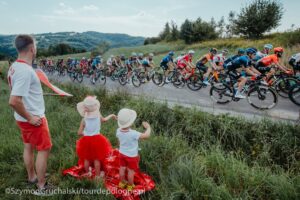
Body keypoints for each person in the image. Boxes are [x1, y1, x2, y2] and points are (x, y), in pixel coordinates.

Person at [8, 34, 53, 195]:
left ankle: (32, 177)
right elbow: (13, 101)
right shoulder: (25, 71)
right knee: (44, 149)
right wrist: (30, 117)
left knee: (28, 146)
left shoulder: (14, 66)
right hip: (33, 118)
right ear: (32, 49)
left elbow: (20, 94)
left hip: (22, 118)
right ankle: (42, 187)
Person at [76, 96, 116, 180]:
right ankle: (97, 176)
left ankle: (87, 173)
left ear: (85, 108)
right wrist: (111, 115)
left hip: (86, 140)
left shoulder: (84, 120)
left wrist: (86, 133)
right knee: (96, 159)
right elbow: (104, 120)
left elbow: (79, 133)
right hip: (98, 140)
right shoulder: (98, 115)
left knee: (86, 158)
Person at [116, 108, 151, 192]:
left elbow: (118, 141)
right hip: (131, 156)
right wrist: (148, 127)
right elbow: (146, 136)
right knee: (131, 172)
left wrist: (119, 147)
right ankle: (130, 186)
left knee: (122, 168)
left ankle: (121, 183)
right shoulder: (133, 133)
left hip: (121, 153)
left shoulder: (118, 131)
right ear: (131, 122)